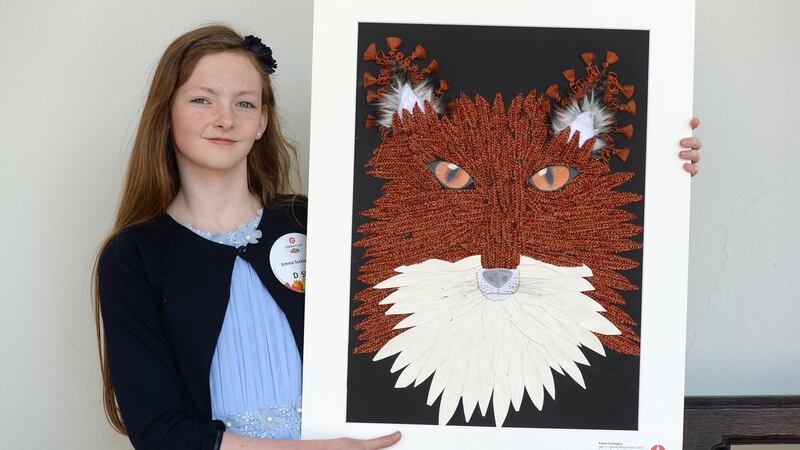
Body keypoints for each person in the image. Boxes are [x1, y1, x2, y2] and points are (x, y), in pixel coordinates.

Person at [93, 24, 701, 450]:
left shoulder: (324, 223)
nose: (225, 118)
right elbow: (158, 432)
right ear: (167, 112)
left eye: (244, 103)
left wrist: (661, 164)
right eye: (202, 100)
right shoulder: (134, 257)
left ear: (263, 122)